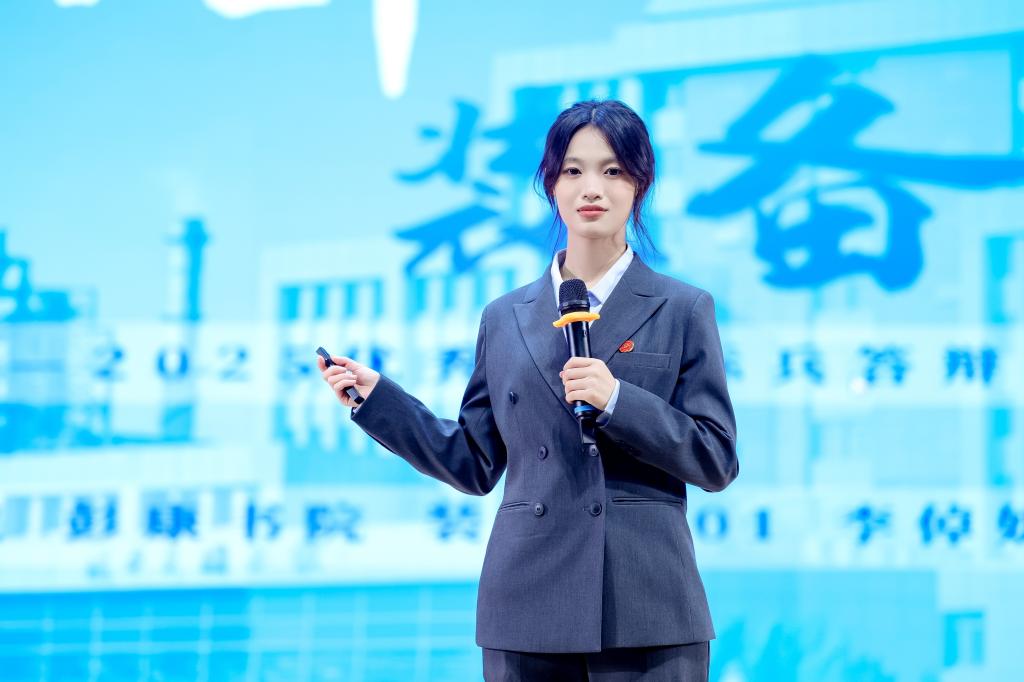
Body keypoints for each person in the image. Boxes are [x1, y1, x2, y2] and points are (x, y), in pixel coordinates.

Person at [318, 99, 738, 681]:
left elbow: (716, 459)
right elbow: (473, 461)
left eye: (613, 170)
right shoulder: (504, 317)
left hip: (646, 606)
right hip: (527, 604)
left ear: (640, 184)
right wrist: (380, 401)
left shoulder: (683, 307)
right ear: (551, 184)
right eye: (573, 170)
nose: (592, 188)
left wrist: (618, 401)